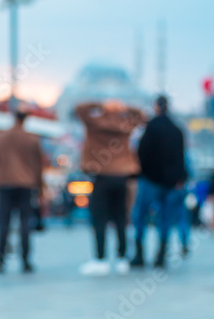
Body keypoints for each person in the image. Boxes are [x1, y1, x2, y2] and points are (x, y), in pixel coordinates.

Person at [76, 100, 144, 275]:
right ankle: (122, 258)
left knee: (99, 219)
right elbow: (142, 116)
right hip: (122, 176)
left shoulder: (95, 123)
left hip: (101, 175)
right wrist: (124, 107)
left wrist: (99, 105)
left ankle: (100, 259)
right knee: (121, 219)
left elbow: (80, 109)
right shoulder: (124, 124)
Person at [131, 95, 187, 269]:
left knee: (141, 215)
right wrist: (179, 178)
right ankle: (161, 255)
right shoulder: (177, 130)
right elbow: (181, 157)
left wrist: (142, 173)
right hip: (170, 183)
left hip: (150, 180)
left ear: (156, 107)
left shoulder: (151, 128)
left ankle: (139, 255)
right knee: (165, 218)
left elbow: (142, 153)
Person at [0, 110, 43, 273]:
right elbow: (38, 166)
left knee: (3, 223)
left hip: (4, 183)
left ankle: (0, 260)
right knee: (25, 223)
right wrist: (40, 187)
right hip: (25, 184)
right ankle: (25, 260)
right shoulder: (32, 139)